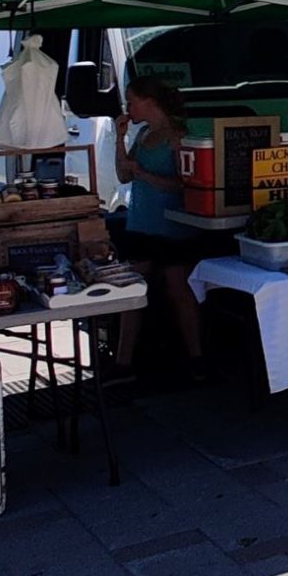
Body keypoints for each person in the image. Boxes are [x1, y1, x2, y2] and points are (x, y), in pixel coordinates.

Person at [111, 77, 205, 382]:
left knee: (179, 290)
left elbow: (182, 184)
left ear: (149, 102)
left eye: (131, 101)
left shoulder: (176, 136)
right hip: (140, 224)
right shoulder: (143, 135)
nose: (128, 108)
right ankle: (123, 363)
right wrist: (119, 139)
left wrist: (144, 173)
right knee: (133, 292)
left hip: (172, 227)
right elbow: (124, 176)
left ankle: (196, 358)